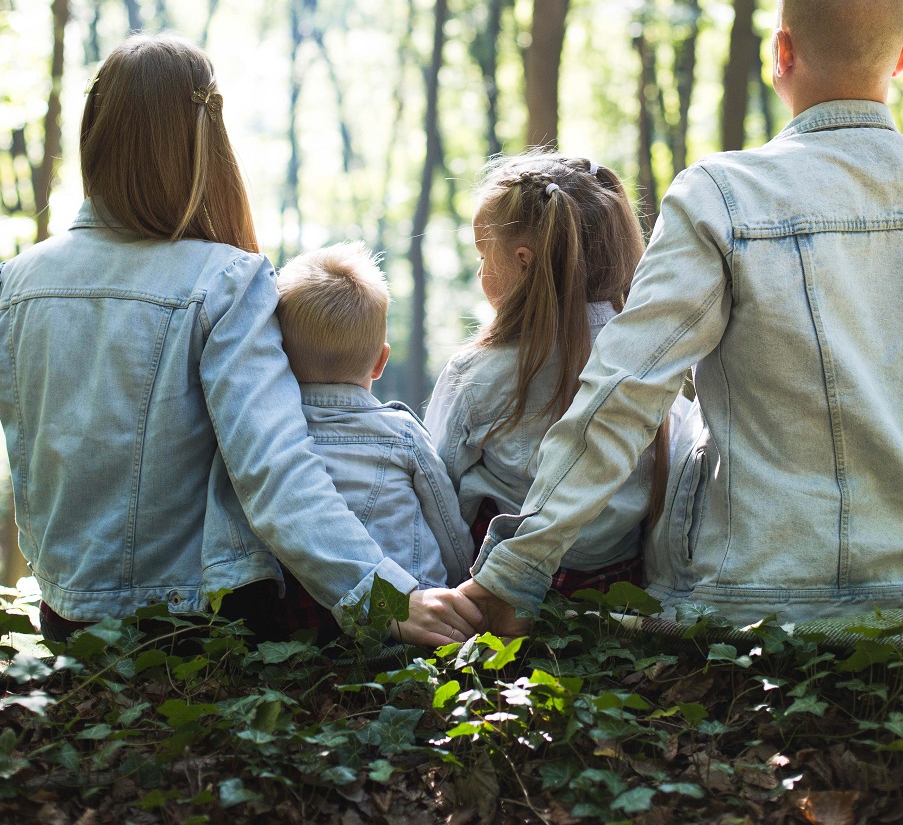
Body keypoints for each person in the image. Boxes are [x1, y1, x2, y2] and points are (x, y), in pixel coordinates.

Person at [458, 0, 903, 632]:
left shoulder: (723, 195)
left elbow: (624, 391)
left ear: (780, 51)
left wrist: (515, 571)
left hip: (751, 598)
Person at [0, 33, 480, 647]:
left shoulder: (17, 282)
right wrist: (384, 596)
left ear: (95, 130)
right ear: (205, 140)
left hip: (67, 622)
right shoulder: (225, 280)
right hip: (195, 628)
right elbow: (275, 469)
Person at [425, 152, 690, 596]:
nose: (479, 271)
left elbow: (436, 489)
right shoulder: (653, 366)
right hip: (618, 593)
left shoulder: (476, 374)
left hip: (495, 593)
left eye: (484, 255)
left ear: (523, 261)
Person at [274, 242, 473, 598]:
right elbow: (448, 529)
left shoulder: (270, 436)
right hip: (413, 612)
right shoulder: (403, 434)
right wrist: (460, 582)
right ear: (381, 362)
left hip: (309, 620)